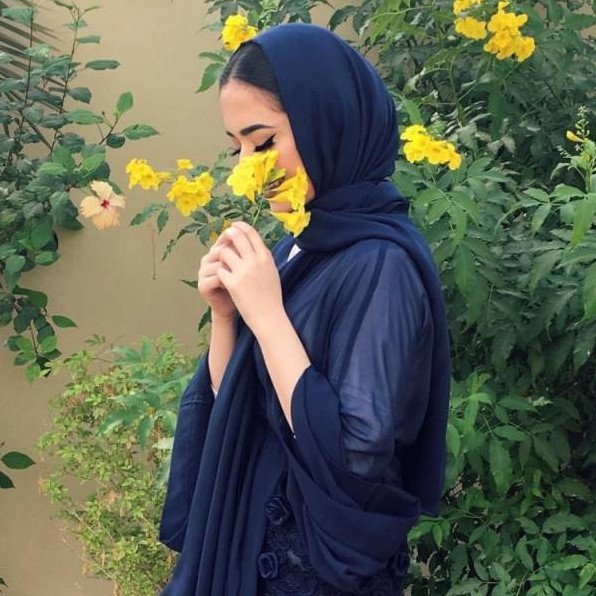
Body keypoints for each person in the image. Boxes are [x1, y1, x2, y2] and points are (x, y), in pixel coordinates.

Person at [159, 23, 451, 596]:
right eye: (237, 148)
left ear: (327, 121)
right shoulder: (299, 245)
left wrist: (268, 318)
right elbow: (242, 405)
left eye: (263, 142)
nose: (248, 170)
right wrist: (227, 316)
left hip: (309, 572)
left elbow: (357, 455)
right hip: (250, 551)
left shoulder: (380, 263)